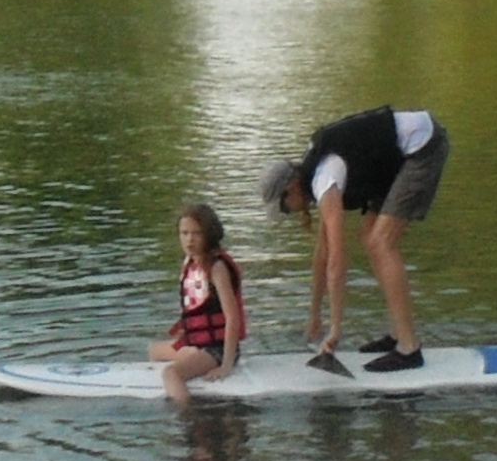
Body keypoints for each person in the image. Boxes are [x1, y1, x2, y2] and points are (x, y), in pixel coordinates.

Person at [262, 105, 447, 375]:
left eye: (284, 207)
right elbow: (323, 254)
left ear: (291, 189)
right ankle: (398, 334)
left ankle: (409, 348)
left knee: (381, 243)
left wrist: (335, 329)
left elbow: (338, 259)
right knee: (369, 236)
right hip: (393, 160)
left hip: (423, 147)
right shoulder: (315, 175)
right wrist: (315, 316)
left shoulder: (324, 179)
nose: (288, 213)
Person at [158, 201, 247, 405]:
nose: (189, 239)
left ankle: (189, 414)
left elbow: (232, 318)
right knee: (153, 352)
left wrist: (226, 365)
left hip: (217, 349)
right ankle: (190, 356)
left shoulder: (217, 268)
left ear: (209, 234)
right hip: (198, 343)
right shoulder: (190, 263)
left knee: (170, 373)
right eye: (184, 233)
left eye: (196, 233)